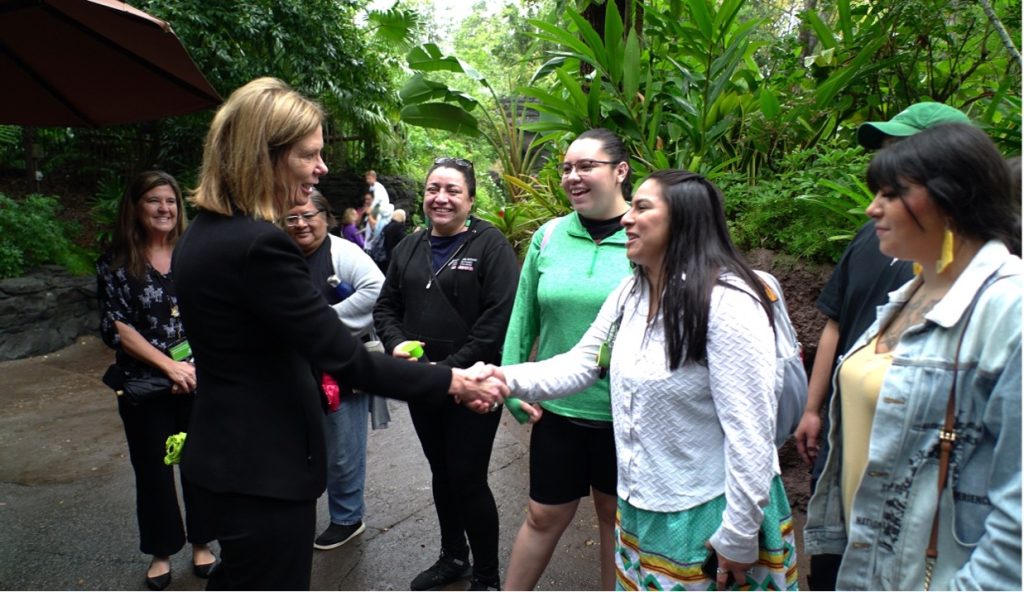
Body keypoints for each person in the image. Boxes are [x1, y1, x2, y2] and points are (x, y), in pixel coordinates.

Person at [170, 77, 507, 590]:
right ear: (268, 154)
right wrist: (454, 382)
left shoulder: (201, 233)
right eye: (310, 154)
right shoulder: (261, 244)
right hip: (265, 468)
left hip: (224, 459)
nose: (323, 168)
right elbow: (344, 356)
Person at [492, 169, 798, 591]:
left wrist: (740, 533)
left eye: (642, 208)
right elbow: (583, 363)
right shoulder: (630, 293)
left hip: (709, 508)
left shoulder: (727, 302)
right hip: (643, 504)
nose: (625, 219)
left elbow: (752, 433)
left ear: (684, 221)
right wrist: (499, 378)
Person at [804, 123, 1022, 590]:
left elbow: (1017, 520)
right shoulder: (909, 292)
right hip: (866, 567)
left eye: (890, 193)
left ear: (951, 199)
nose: (872, 208)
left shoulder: (1008, 307)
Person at [373, 157, 519, 591]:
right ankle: (453, 555)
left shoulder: (490, 245)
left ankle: (488, 577)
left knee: (468, 478)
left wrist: (448, 371)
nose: (441, 197)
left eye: (453, 190)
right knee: (441, 471)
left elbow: (496, 321)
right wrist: (395, 342)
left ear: (471, 199)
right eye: (434, 188)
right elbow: (386, 306)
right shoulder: (410, 247)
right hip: (424, 386)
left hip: (473, 384)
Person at [502, 128, 633, 591]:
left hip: (625, 415)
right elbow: (524, 318)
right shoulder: (550, 235)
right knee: (542, 514)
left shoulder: (646, 232)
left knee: (615, 520)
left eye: (585, 166)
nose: (572, 177)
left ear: (620, 171)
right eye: (566, 168)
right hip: (559, 408)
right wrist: (513, 388)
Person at [96, 171, 217, 590]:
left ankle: (203, 542)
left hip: (199, 379)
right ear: (135, 207)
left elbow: (213, 312)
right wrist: (171, 367)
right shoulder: (115, 262)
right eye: (154, 201)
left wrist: (198, 366)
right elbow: (117, 327)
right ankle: (162, 549)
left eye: (171, 201)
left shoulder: (193, 252)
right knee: (153, 469)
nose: (165, 209)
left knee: (200, 462)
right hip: (145, 385)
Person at [282, 190, 385, 551]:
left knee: (344, 446)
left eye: (308, 216)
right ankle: (296, 513)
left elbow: (377, 291)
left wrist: (324, 322)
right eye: (292, 217)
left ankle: (347, 517)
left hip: (339, 366)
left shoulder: (344, 252)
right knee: (296, 444)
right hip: (293, 368)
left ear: (325, 217)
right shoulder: (280, 254)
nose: (301, 224)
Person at [364, 169, 392, 246]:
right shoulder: (371, 188)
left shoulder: (378, 187)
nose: (367, 181)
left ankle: (374, 238)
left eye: (369, 178)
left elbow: (376, 200)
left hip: (382, 207)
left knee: (375, 223)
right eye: (367, 179)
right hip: (376, 207)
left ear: (374, 177)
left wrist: (370, 208)